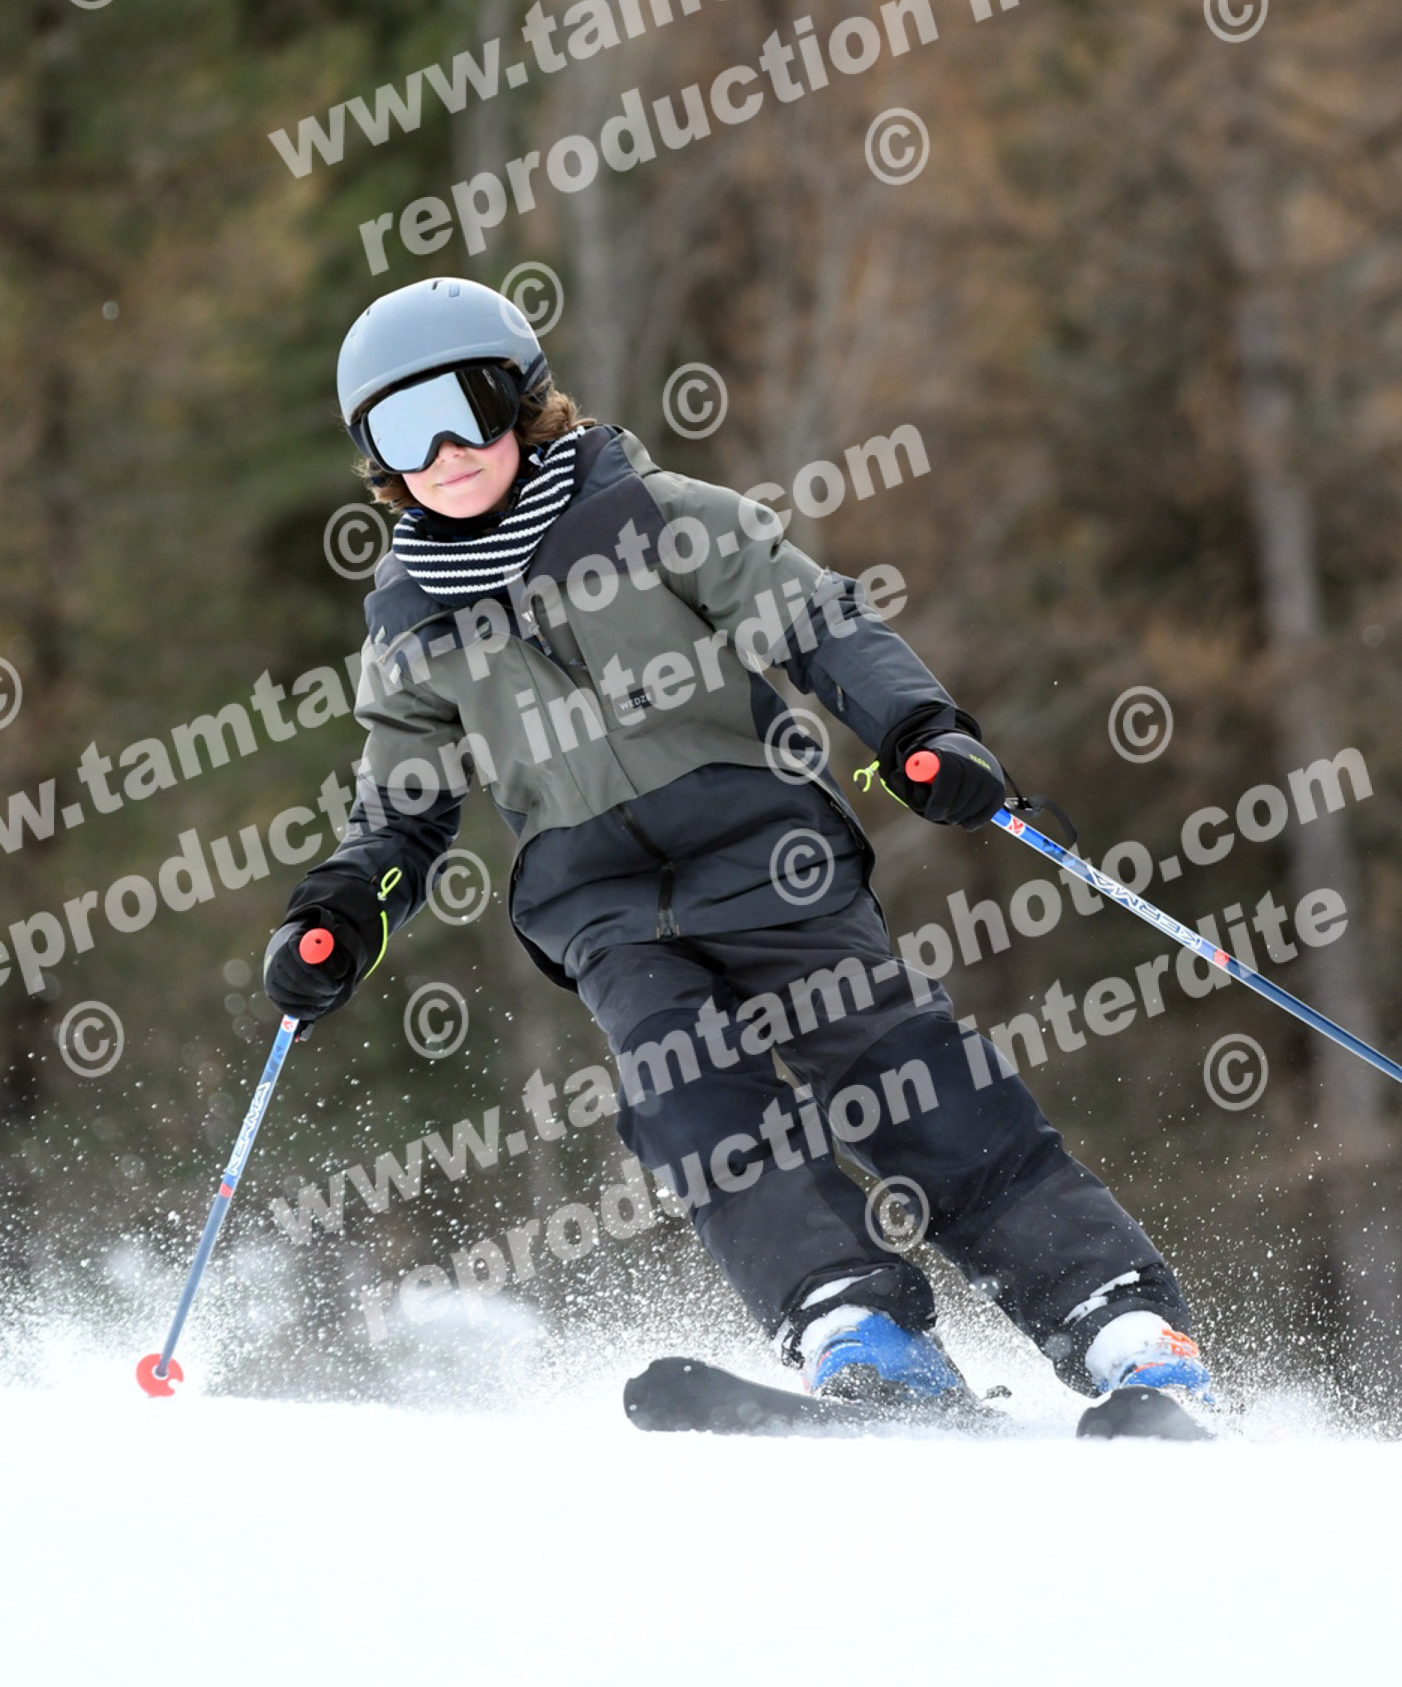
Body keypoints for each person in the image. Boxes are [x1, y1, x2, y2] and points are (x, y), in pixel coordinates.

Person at [263, 275, 1212, 1422]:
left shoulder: (655, 515)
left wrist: (918, 730)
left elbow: (816, 619)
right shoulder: (412, 617)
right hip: (601, 905)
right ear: (376, 457)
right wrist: (341, 910)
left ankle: (1111, 1314)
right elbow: (402, 806)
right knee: (687, 1095)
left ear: (520, 399)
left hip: (765, 855)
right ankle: (852, 1321)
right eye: (403, 430)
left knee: (900, 1067)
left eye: (465, 408)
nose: (445, 451)